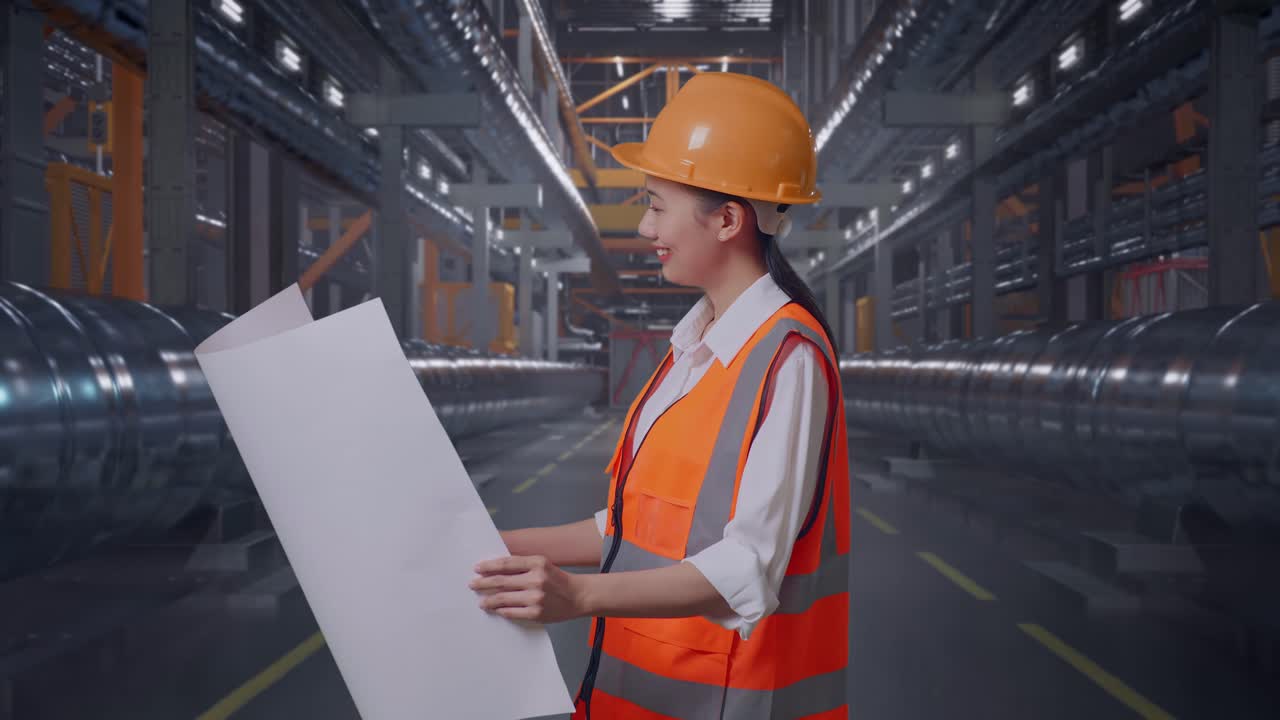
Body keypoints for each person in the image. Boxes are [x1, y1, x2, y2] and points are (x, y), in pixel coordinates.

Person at [469, 72, 850, 720]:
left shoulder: (789, 358)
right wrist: (501, 545)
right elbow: (635, 528)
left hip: (725, 702)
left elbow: (747, 567)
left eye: (656, 203)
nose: (644, 226)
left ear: (728, 218)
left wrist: (580, 598)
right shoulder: (690, 350)